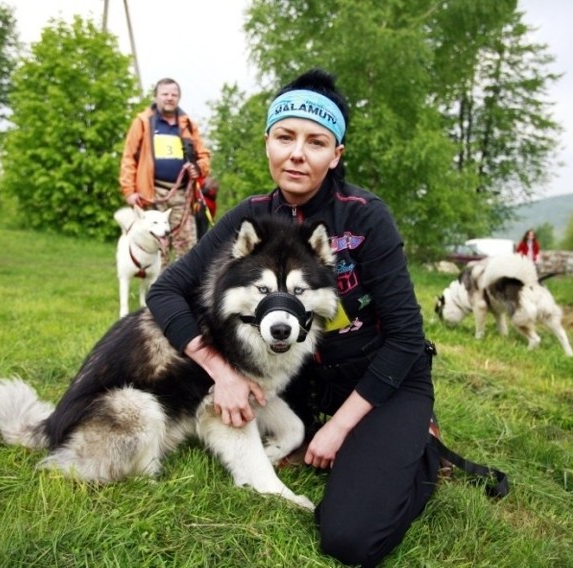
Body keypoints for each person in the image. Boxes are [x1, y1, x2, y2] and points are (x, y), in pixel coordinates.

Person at [147, 69, 440, 567]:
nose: (298, 153)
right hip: (299, 380)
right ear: (268, 143)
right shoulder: (251, 216)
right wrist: (221, 372)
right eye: (285, 137)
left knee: (348, 538)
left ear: (336, 153)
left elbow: (407, 338)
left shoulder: (365, 217)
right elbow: (165, 290)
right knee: (287, 440)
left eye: (316, 141)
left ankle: (423, 446)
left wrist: (340, 429)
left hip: (380, 379)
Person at [119, 77, 211, 259]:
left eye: (174, 94)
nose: (169, 98)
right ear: (156, 96)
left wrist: (199, 168)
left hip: (182, 197)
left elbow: (204, 155)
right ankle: (159, 286)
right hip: (151, 194)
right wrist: (129, 191)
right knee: (156, 248)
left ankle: (184, 286)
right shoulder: (143, 122)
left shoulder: (187, 124)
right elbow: (129, 157)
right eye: (165, 94)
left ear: (178, 98)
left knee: (187, 246)